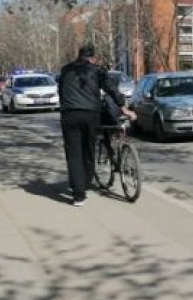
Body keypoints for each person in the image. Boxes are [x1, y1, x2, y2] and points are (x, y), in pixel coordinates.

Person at [58, 44, 135, 206]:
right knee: (88, 150)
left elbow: (61, 91)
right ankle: (84, 185)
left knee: (73, 153)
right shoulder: (97, 70)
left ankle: (78, 195)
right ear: (93, 58)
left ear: (78, 56)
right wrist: (123, 108)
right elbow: (111, 88)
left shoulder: (66, 70)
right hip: (90, 114)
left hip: (69, 114)